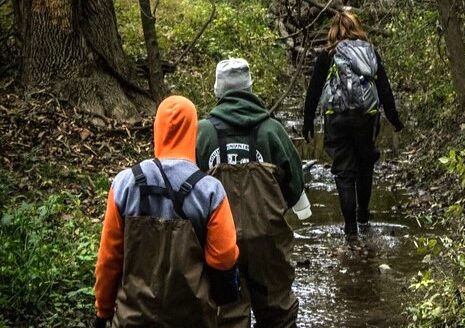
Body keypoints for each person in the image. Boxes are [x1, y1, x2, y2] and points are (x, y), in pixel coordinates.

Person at [94, 96, 240, 327]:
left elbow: (109, 259)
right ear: (193, 132)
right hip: (193, 319)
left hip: (132, 319)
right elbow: (224, 258)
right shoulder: (210, 190)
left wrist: (103, 311)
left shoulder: (124, 184)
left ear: (157, 129)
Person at [196, 58, 304, 328]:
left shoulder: (203, 133)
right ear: (250, 88)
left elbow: (188, 188)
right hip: (269, 242)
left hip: (218, 241)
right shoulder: (272, 130)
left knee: (228, 314)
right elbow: (295, 187)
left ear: (217, 91)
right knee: (278, 311)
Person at [302, 10, 404, 236]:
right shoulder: (370, 53)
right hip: (367, 117)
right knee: (365, 163)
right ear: (357, 28)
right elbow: (384, 89)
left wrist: (307, 122)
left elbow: (314, 91)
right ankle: (364, 218)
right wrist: (394, 118)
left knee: (344, 171)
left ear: (333, 31)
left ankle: (350, 229)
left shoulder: (328, 55)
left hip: (336, 116)